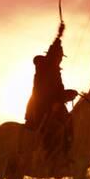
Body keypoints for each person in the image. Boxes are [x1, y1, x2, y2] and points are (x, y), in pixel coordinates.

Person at [24, 22, 78, 158]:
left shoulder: (55, 72)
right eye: (58, 55)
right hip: (41, 107)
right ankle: (50, 155)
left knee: (71, 124)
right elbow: (48, 94)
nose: (60, 58)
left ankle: (66, 154)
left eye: (61, 56)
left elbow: (58, 94)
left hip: (54, 107)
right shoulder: (44, 67)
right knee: (55, 128)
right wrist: (59, 36)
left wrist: (69, 94)